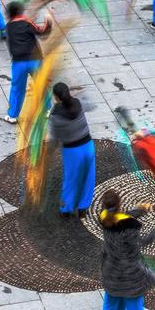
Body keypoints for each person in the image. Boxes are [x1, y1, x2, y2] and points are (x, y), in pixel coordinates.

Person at [100, 189, 155, 310]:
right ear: (119, 203)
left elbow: (120, 218)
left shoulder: (104, 217)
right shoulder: (129, 227)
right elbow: (141, 241)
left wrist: (140, 210)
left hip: (110, 269)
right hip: (130, 273)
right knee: (134, 303)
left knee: (111, 300)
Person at [49, 83, 95, 218]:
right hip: (88, 146)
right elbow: (90, 105)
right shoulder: (78, 104)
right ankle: (82, 208)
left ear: (56, 97)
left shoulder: (56, 116)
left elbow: (56, 137)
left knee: (71, 179)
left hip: (72, 151)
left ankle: (66, 209)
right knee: (88, 177)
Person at [4, 1, 52, 124]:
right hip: (34, 60)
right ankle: (48, 109)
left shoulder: (8, 27)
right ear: (20, 12)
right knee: (41, 84)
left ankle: (12, 115)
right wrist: (48, 21)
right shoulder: (27, 23)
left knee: (17, 88)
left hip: (18, 63)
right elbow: (42, 32)